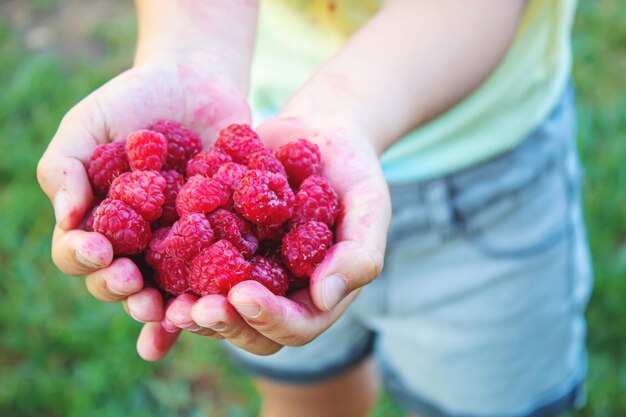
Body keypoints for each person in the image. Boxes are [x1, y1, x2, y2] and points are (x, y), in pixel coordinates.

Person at [36, 1, 592, 416]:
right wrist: (188, 53)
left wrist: (349, 108)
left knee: (494, 396)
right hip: (269, 111)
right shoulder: (239, 198)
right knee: (305, 393)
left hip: (490, 173)